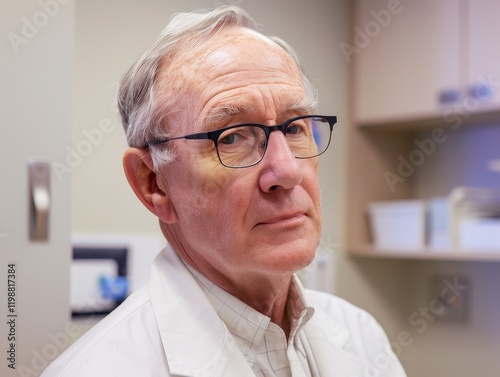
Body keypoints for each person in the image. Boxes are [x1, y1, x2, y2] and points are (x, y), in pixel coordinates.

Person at [43, 5, 406, 377]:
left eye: (295, 128)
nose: (286, 171)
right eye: (231, 137)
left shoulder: (363, 337)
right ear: (153, 184)